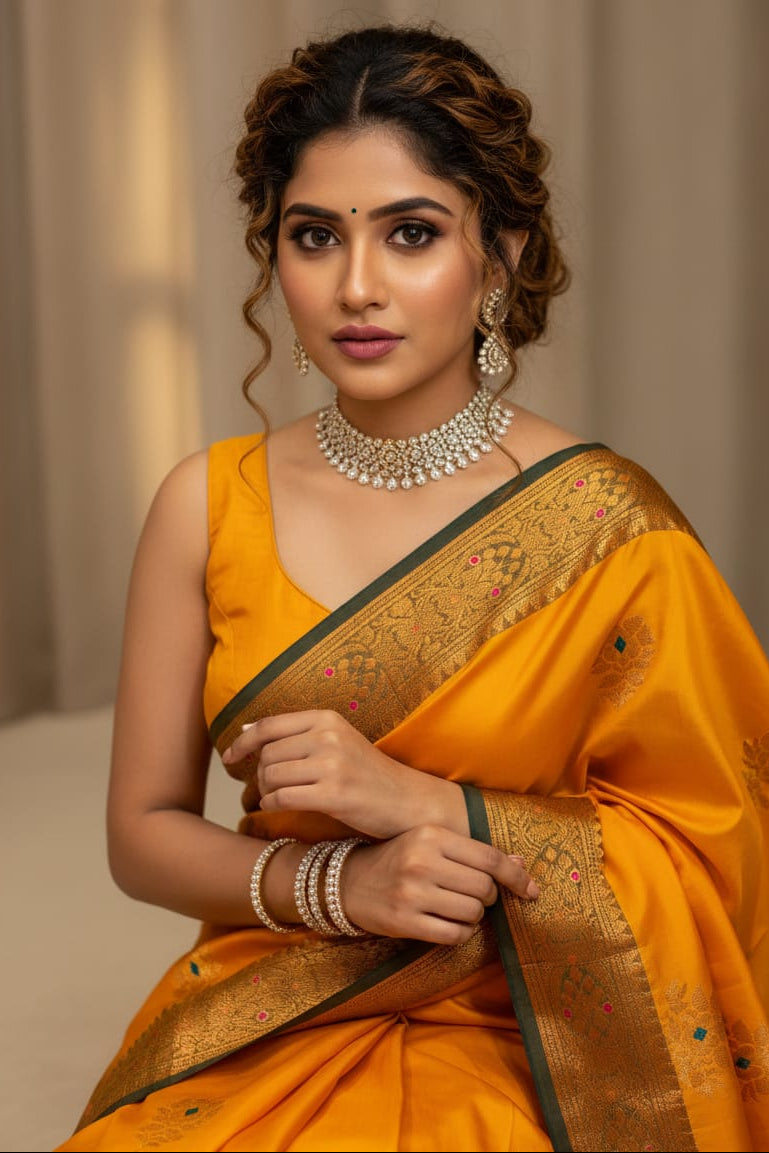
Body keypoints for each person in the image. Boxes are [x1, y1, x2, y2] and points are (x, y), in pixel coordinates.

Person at [56, 22, 769, 1153]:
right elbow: (142, 834)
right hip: (276, 1001)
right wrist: (337, 884)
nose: (356, 287)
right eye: (314, 236)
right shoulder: (207, 502)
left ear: (500, 256)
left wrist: (428, 805)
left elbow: (717, 848)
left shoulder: (609, 528)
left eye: (411, 233)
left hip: (533, 1033)